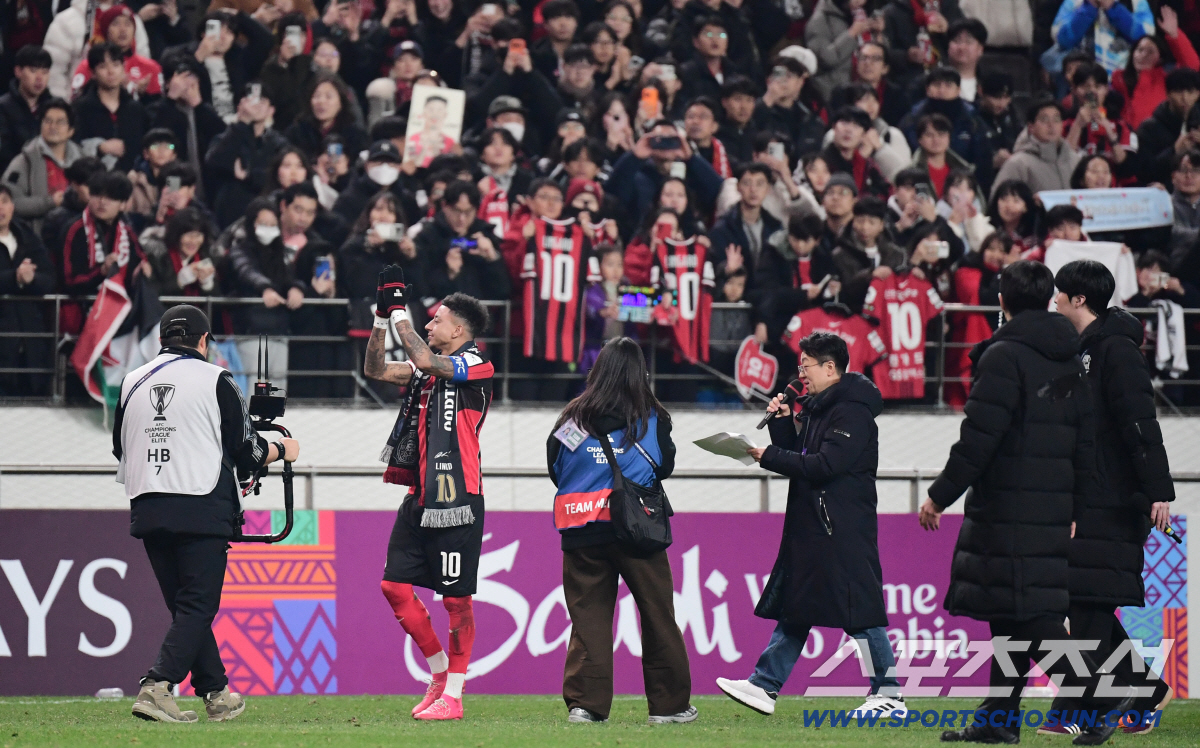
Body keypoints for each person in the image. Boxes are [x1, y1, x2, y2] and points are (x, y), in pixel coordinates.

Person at [919, 260, 1134, 745]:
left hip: (1007, 510)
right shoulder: (1070, 355)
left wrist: (938, 495)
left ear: (1002, 301)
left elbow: (979, 437)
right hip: (1052, 509)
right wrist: (1077, 506)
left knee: (1031, 617)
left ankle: (1099, 692)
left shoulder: (1005, 356)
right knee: (1009, 615)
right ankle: (999, 722)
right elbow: (1085, 441)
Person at [113, 304, 299, 723]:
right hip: (200, 503)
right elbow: (247, 450)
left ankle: (215, 693)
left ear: (162, 340)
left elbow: (119, 447)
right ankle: (157, 685)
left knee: (185, 607)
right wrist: (282, 450)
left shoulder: (130, 381)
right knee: (198, 605)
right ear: (203, 341)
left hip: (146, 502)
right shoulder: (217, 378)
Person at [720, 331, 904, 719]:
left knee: (860, 611)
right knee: (797, 607)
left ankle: (889, 693)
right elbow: (804, 456)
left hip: (842, 527)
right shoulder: (823, 407)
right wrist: (782, 426)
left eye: (806, 366)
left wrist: (768, 455)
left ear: (830, 368)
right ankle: (764, 685)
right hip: (819, 526)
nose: (801, 374)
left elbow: (824, 466)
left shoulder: (851, 411)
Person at [1042, 260, 1176, 736]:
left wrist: (1158, 490)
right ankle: (1143, 689)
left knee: (1088, 601)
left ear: (1080, 299)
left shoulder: (1116, 350)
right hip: (1087, 494)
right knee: (1083, 599)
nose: (1054, 300)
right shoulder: (1080, 350)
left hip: (1116, 498)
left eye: (1060, 294)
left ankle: (1079, 709)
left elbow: (1140, 422)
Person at [364, 274, 495, 722]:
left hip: (459, 499)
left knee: (456, 601)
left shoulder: (477, 366)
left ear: (459, 331)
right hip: (420, 497)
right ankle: (439, 674)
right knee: (393, 586)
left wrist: (401, 310)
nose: (430, 326)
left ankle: (454, 697)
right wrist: (381, 318)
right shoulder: (430, 366)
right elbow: (376, 370)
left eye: (436, 320)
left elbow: (424, 357)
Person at [547, 336, 696, 725]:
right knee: (657, 615)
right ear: (639, 373)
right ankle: (669, 707)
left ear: (598, 372)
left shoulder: (574, 418)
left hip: (582, 529)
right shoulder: (651, 418)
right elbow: (664, 466)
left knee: (589, 619)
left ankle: (586, 705)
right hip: (638, 530)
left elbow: (557, 467)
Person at [0, 184, 56, 397]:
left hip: (31, 343)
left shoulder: (26, 236)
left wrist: (30, 280)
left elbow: (50, 279)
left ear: (13, 206)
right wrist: (14, 278)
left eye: (4, 201)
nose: (0, 208)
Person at [72, 43, 150, 174]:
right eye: (103, 66)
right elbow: (71, 147)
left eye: (116, 65)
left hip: (132, 181)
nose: (111, 71)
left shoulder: (136, 109)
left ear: (124, 68)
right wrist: (99, 148)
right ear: (93, 73)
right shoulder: (80, 108)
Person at [991, 99, 1082, 197]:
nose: (1051, 125)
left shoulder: (1074, 159)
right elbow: (998, 199)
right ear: (1031, 127)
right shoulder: (1019, 163)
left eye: (1056, 119)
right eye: (1044, 120)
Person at [0, 45, 53, 173]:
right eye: (33, 70)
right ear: (18, 71)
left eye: (45, 72)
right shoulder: (3, 107)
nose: (40, 78)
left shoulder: (55, 107)